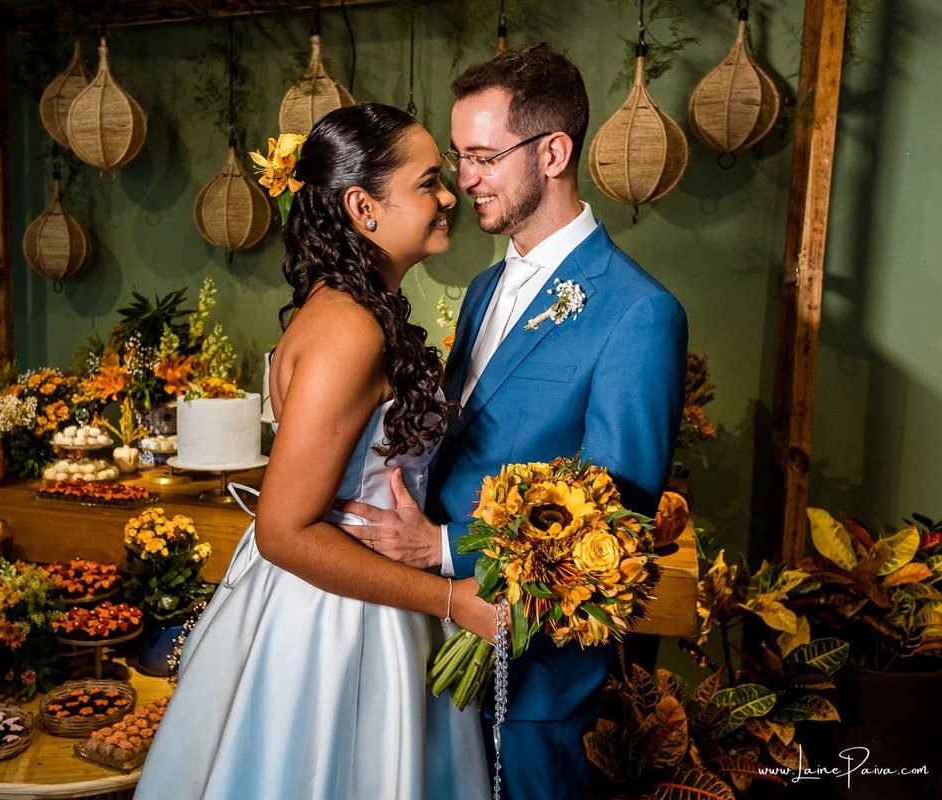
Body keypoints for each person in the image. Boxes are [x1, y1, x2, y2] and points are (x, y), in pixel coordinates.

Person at [337, 45, 688, 799]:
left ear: (553, 152)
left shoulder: (641, 313)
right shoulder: (485, 286)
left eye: (483, 157)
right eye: (460, 157)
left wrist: (441, 545)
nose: (462, 182)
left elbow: (617, 515)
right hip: (434, 627)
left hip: (533, 667)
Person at [133, 103, 493, 800]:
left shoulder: (342, 308)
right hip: (339, 622)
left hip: (354, 590)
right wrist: (451, 598)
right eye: (428, 183)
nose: (451, 196)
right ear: (363, 206)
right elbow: (283, 531)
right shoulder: (348, 332)